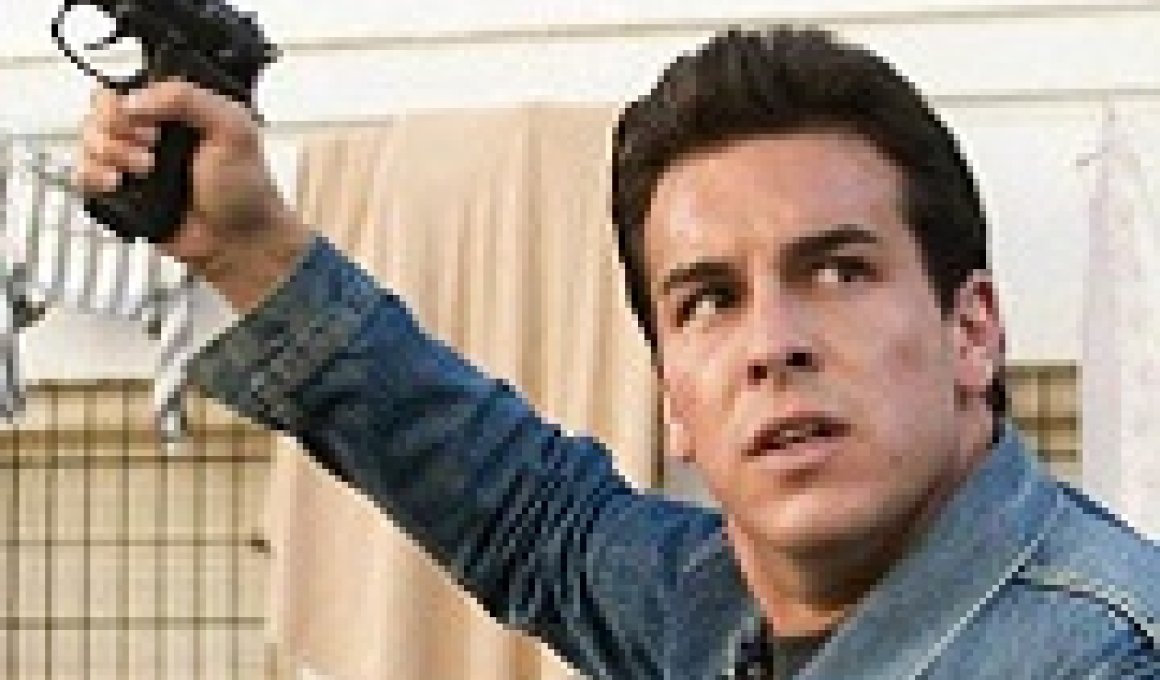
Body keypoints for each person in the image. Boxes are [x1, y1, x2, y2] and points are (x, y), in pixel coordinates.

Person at [74, 26, 1157, 679]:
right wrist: (246, 248)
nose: (772, 344)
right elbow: (517, 508)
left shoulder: (1103, 654)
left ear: (971, 330)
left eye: (836, 271)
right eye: (708, 300)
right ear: (670, 400)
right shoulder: (708, 606)